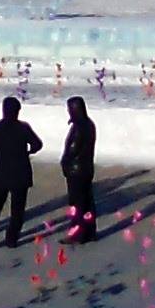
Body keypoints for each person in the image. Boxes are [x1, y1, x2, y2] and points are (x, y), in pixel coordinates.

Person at [0, 95, 42, 248]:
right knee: (17, 210)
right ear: (18, 111)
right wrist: (29, 152)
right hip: (20, 174)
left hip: (1, 174)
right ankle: (12, 239)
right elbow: (37, 144)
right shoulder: (23, 128)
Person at [61, 96, 99, 238]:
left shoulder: (78, 127)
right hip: (87, 168)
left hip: (76, 170)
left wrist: (65, 161)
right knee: (87, 201)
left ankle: (78, 233)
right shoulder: (89, 124)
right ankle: (89, 231)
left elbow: (73, 148)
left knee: (77, 203)